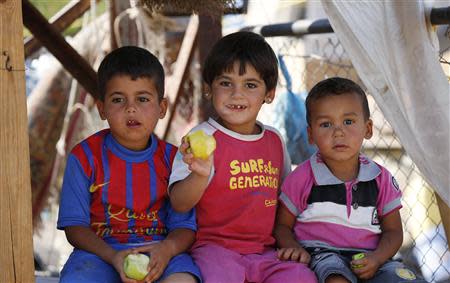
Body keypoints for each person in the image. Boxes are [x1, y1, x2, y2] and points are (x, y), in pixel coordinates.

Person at [168, 31, 317, 283]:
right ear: (209, 88)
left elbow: (285, 202)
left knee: (301, 277)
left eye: (250, 85)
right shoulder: (201, 137)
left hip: (266, 252)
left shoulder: (274, 140)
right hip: (215, 250)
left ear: (269, 93)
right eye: (226, 83)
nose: (237, 94)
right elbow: (179, 203)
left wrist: (290, 243)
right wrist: (199, 174)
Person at [57, 46, 201, 283]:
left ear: (162, 108)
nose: (130, 108)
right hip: (99, 254)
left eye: (142, 99)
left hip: (161, 252)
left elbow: (184, 227)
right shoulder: (84, 157)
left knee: (184, 280)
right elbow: (75, 228)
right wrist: (113, 256)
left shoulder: (175, 159)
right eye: (118, 99)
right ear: (101, 108)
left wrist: (166, 250)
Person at [274, 77, 427, 283]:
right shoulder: (301, 177)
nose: (338, 132)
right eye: (326, 124)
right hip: (323, 257)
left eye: (348, 121)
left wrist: (377, 258)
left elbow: (393, 232)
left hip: (372, 258)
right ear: (311, 135)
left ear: (368, 128)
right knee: (336, 278)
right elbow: (281, 226)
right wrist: (292, 247)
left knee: (404, 279)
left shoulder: (380, 178)